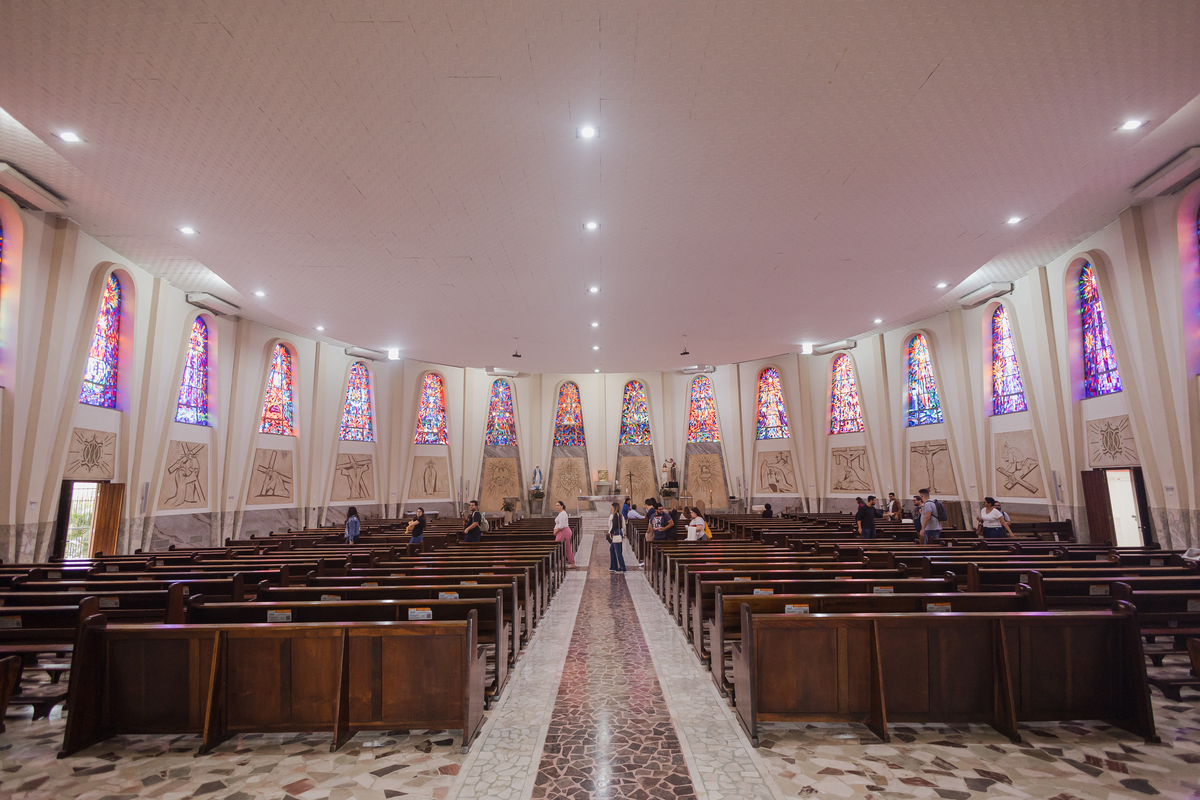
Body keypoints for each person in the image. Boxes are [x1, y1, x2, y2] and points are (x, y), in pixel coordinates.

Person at [553, 500, 576, 567]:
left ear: (562, 506)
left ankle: (558, 563)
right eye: (556, 505)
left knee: (558, 547)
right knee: (566, 548)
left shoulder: (562, 514)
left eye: (558, 505)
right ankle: (571, 562)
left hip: (563, 532)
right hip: (562, 532)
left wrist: (555, 532)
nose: (556, 507)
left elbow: (561, 526)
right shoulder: (561, 513)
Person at [607, 502, 627, 572]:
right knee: (612, 549)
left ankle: (623, 567)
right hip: (618, 533)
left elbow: (614, 526)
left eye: (612, 507)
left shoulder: (616, 515)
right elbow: (623, 526)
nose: (611, 508)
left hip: (616, 534)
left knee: (618, 552)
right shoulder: (620, 515)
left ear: (614, 508)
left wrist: (610, 533)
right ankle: (613, 566)